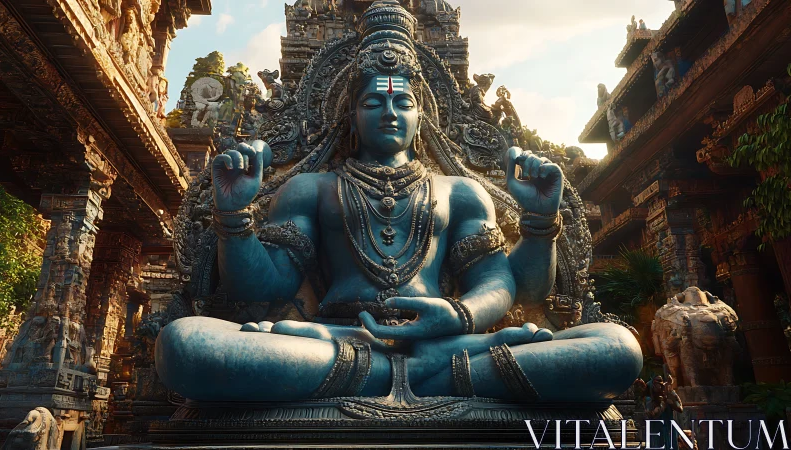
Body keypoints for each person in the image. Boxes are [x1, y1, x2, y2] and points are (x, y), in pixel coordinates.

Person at [156, 0, 641, 404]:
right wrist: (233, 215)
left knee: (617, 349)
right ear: (350, 114)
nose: (389, 111)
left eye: (402, 102)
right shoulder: (312, 188)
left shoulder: (460, 192)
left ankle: (404, 372)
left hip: (447, 338)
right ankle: (428, 376)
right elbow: (264, 286)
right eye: (373, 102)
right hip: (343, 339)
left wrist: (533, 227)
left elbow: (501, 284)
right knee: (185, 345)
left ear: (422, 115)